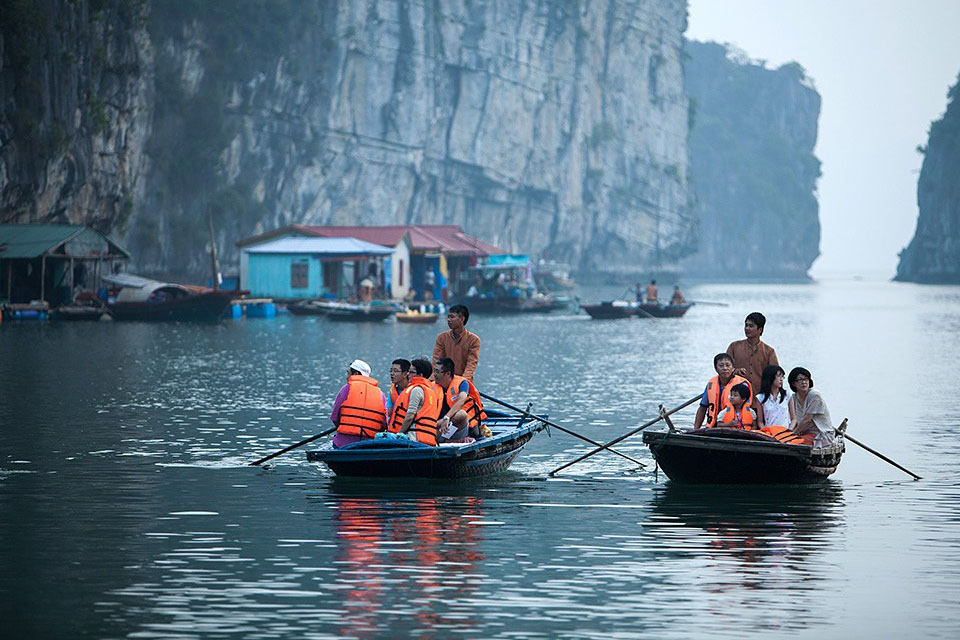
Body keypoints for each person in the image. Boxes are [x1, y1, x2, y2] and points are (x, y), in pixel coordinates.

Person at [330, 359, 388, 449]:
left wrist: (345, 428)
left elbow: (335, 418)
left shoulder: (346, 389)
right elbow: (384, 424)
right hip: (369, 444)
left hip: (343, 444)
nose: (347, 377)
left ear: (356, 374)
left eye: (348, 373)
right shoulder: (381, 394)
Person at [387, 358, 441, 445]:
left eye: (412, 372)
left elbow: (410, 416)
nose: (408, 374)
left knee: (378, 437)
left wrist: (399, 434)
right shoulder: (430, 390)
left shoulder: (417, 390)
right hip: (426, 437)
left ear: (420, 375)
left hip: (414, 437)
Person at [433, 357, 487, 442]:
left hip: (460, 426)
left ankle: (449, 439)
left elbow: (461, 400)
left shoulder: (462, 383)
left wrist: (447, 418)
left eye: (437, 372)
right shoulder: (432, 386)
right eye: (434, 371)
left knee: (461, 414)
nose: (434, 375)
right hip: (439, 427)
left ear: (447, 373)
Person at [694, 353, 753, 429]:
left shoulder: (742, 384)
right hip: (715, 426)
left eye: (728, 365)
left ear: (733, 367)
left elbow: (747, 407)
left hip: (736, 427)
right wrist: (696, 429)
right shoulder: (711, 384)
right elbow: (702, 408)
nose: (725, 368)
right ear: (715, 368)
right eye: (721, 366)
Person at [726, 312, 779, 392]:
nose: (747, 328)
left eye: (751, 326)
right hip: (737, 396)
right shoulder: (734, 346)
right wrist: (734, 371)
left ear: (760, 329)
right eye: (746, 325)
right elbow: (724, 368)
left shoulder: (769, 351)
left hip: (760, 396)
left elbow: (776, 376)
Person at [788, 366, 836, 447]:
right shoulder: (793, 398)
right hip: (804, 434)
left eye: (806, 379)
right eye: (800, 380)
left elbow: (807, 420)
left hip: (820, 435)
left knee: (792, 443)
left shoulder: (814, 395)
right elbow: (794, 420)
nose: (804, 382)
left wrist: (792, 435)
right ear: (793, 383)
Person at [432, 304, 480, 382]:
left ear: (461, 319)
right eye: (448, 317)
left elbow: (471, 364)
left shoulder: (473, 340)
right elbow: (436, 361)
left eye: (452, 317)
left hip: (464, 382)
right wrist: (432, 380)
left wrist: (462, 381)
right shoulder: (441, 338)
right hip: (444, 382)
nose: (448, 320)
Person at [385, 358, 411, 423]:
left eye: (395, 371)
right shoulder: (393, 390)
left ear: (405, 374)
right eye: (391, 371)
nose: (392, 373)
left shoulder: (413, 390)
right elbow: (389, 412)